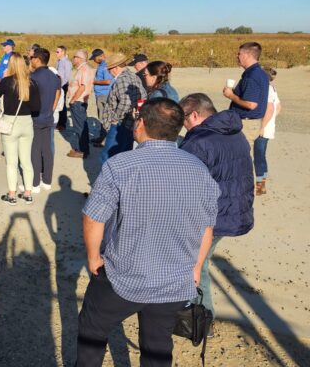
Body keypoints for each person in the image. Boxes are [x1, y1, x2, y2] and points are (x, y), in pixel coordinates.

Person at [77, 99, 220, 366]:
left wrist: (94, 257)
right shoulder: (199, 170)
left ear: (141, 124)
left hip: (123, 275)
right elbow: (207, 227)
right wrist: (196, 267)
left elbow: (93, 217)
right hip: (173, 280)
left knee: (92, 331)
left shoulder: (119, 166)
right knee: (157, 347)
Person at [179, 93, 253, 327]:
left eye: (185, 121)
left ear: (194, 115)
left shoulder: (198, 141)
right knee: (200, 261)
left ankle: (200, 319)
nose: (185, 127)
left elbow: (185, 184)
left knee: (194, 264)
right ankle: (197, 313)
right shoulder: (235, 133)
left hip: (213, 216)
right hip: (235, 211)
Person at [0, 52, 41, 206]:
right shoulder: (31, 83)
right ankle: (28, 193)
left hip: (10, 122)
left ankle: (12, 195)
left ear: (11, 65)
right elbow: (36, 108)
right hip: (26, 122)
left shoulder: (7, 82)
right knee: (26, 161)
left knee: (11, 162)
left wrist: (0, 80)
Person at [223, 42, 270, 163]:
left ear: (247, 55)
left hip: (246, 124)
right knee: (242, 159)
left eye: (239, 54)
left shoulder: (252, 76)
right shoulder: (260, 73)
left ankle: (248, 182)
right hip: (250, 123)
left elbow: (251, 104)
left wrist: (231, 95)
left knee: (241, 160)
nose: (237, 56)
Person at [100, 53, 146, 163]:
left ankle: (106, 180)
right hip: (130, 123)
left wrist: (115, 119)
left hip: (121, 124)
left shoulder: (121, 80)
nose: (109, 72)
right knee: (124, 155)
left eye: (109, 69)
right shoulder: (134, 76)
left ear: (115, 68)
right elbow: (143, 96)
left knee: (107, 156)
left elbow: (125, 102)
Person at [29, 48, 60, 193]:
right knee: (47, 150)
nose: (31, 60)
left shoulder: (33, 77)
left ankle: (35, 183)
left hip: (35, 117)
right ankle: (47, 181)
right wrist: (52, 109)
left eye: (31, 58)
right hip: (48, 117)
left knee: (35, 150)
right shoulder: (53, 76)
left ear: (37, 59)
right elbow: (57, 93)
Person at [255, 68, 280, 195]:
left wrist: (263, 126)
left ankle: (260, 185)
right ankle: (262, 183)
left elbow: (270, 109)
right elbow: (279, 108)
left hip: (263, 127)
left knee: (258, 156)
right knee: (262, 155)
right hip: (269, 127)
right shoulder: (273, 88)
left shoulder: (267, 90)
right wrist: (270, 122)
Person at [66, 50, 94, 159]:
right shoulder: (82, 69)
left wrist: (73, 99)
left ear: (80, 58)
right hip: (79, 101)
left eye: (75, 57)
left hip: (78, 102)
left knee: (80, 127)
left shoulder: (84, 69)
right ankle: (80, 148)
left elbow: (83, 87)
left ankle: (82, 150)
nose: (73, 59)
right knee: (80, 126)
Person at [90, 49, 113, 146]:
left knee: (105, 118)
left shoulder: (105, 66)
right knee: (102, 118)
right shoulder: (101, 65)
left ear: (101, 55)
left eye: (95, 58)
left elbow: (108, 81)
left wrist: (94, 81)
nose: (94, 60)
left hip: (104, 95)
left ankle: (105, 141)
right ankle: (101, 137)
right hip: (101, 94)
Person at [55, 46, 72, 131]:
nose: (56, 53)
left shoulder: (67, 62)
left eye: (57, 52)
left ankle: (62, 124)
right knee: (57, 103)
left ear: (63, 52)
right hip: (57, 85)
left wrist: (61, 86)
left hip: (63, 85)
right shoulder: (58, 61)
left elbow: (67, 76)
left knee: (62, 104)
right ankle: (58, 122)